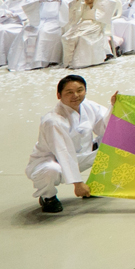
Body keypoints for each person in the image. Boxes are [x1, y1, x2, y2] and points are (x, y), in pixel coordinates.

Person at [27, 74, 110, 212]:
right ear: (59, 95)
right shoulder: (53, 120)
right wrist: (77, 183)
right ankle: (48, 197)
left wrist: (114, 105)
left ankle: (95, 184)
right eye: (69, 92)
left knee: (111, 146)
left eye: (80, 90)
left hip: (81, 155)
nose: (75, 95)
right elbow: (63, 152)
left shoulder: (88, 106)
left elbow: (105, 127)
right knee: (51, 171)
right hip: (52, 161)